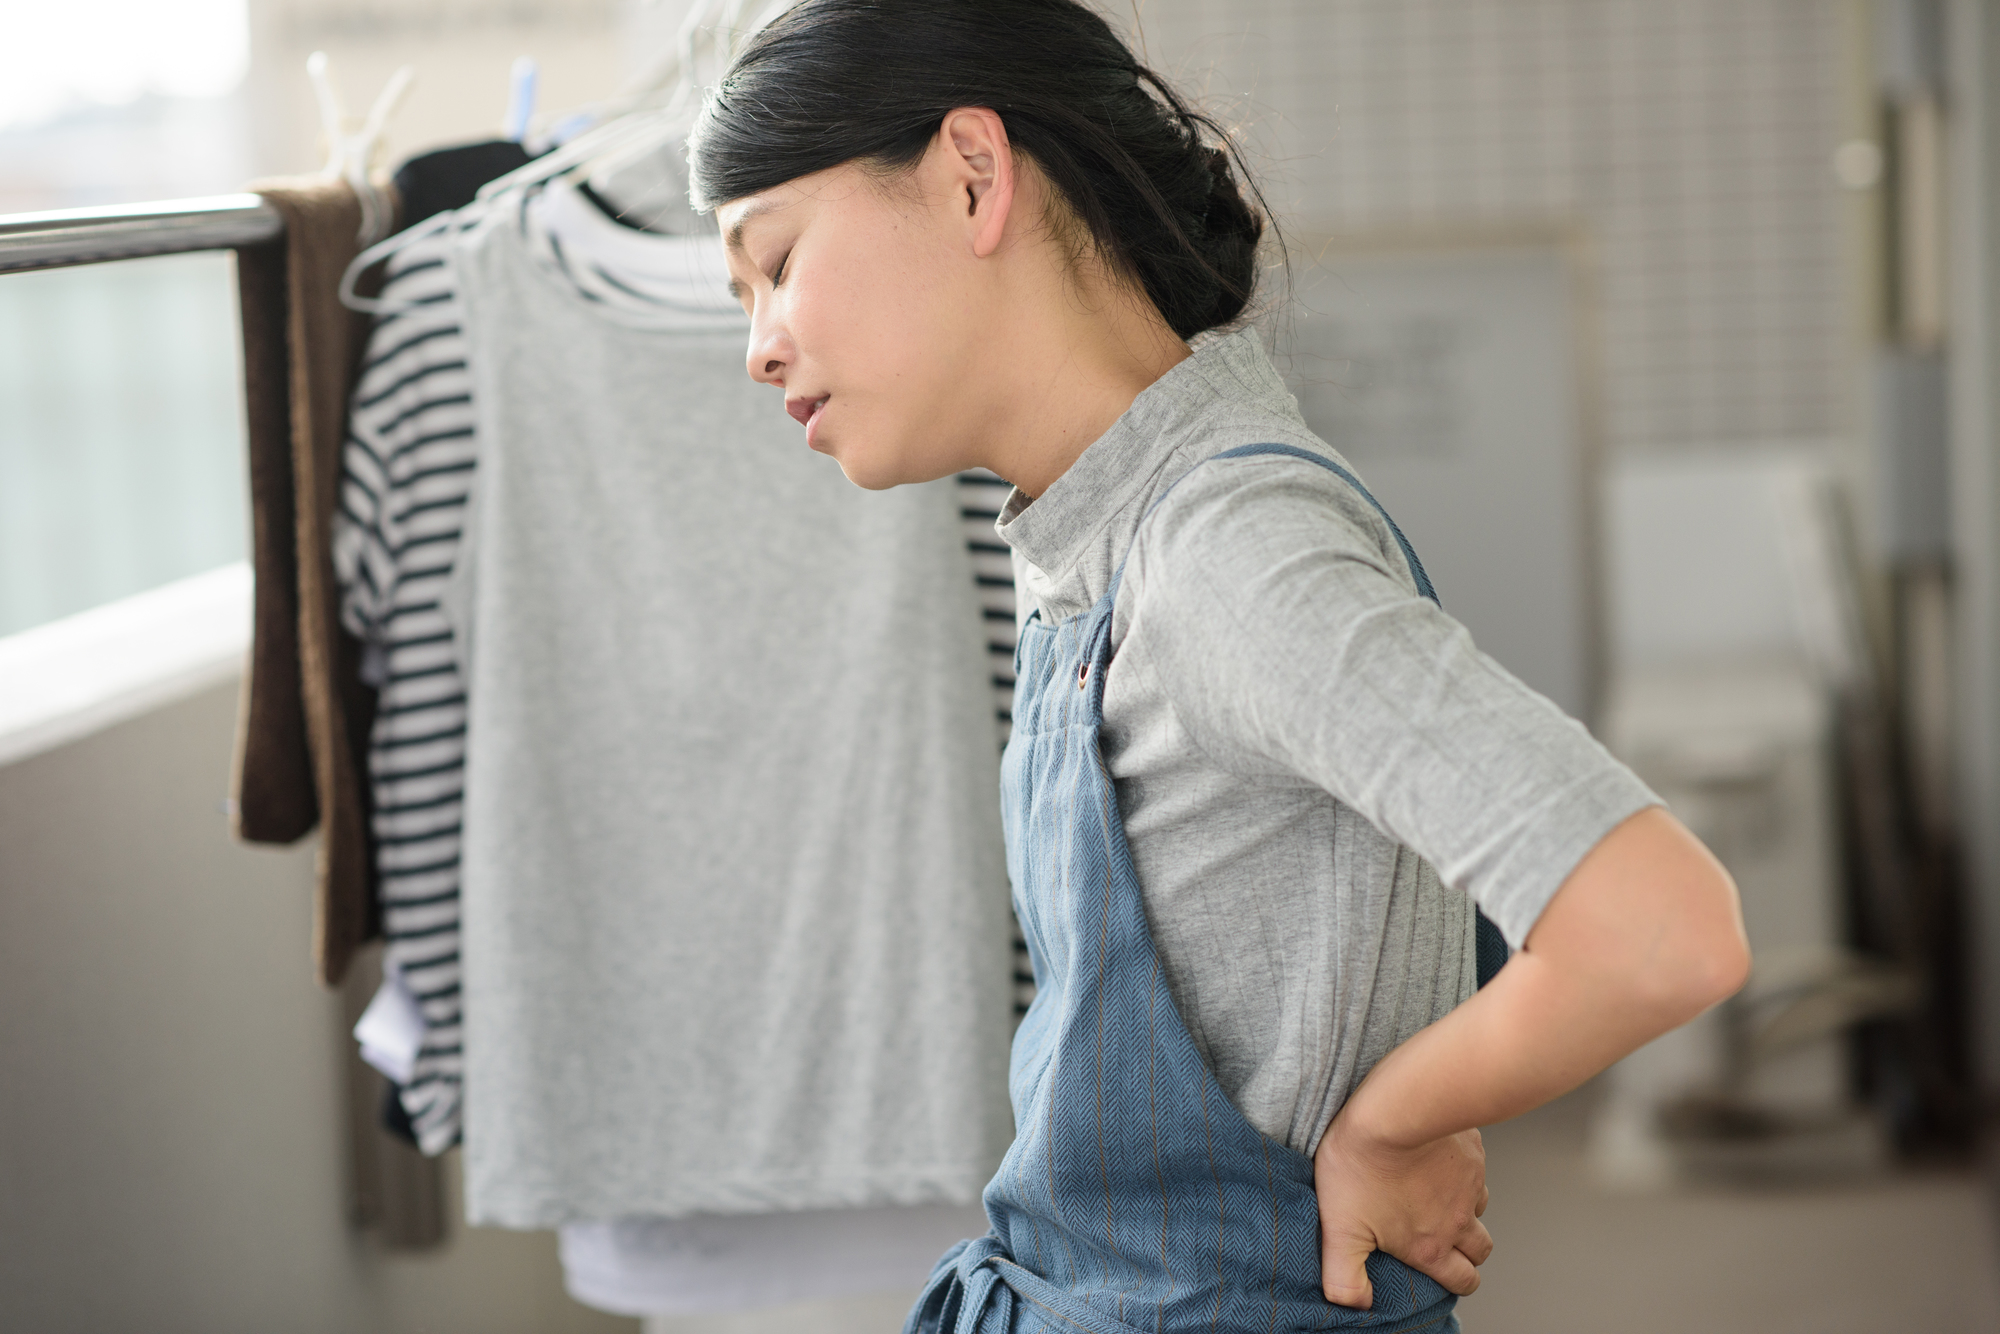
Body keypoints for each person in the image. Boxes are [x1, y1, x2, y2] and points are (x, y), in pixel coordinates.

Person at [689, 2, 1751, 1331]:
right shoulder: (1096, 536)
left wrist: (1396, 1117)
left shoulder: (1225, 550)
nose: (759, 344)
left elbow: (1658, 927)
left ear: (972, 172)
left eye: (774, 262)